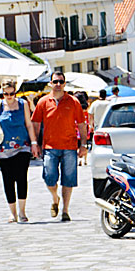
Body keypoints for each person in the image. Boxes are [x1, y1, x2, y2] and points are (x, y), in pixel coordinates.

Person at [31, 71, 88, 222]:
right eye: (55, 81)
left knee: (68, 180)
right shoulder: (43, 102)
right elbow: (35, 124)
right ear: (50, 83)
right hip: (49, 147)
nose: (58, 85)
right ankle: (55, 199)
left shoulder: (73, 102)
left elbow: (82, 125)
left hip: (69, 146)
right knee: (49, 178)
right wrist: (34, 143)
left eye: (61, 82)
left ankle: (65, 210)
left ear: (64, 84)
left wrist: (83, 144)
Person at [0, 80, 41, 223]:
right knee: (8, 179)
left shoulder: (23, 104)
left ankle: (22, 211)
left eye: (11, 93)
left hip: (22, 146)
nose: (9, 96)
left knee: (21, 177)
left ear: (15, 92)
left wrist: (34, 143)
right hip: (2, 148)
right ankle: (12, 213)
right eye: (6, 94)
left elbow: (28, 124)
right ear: (2, 93)